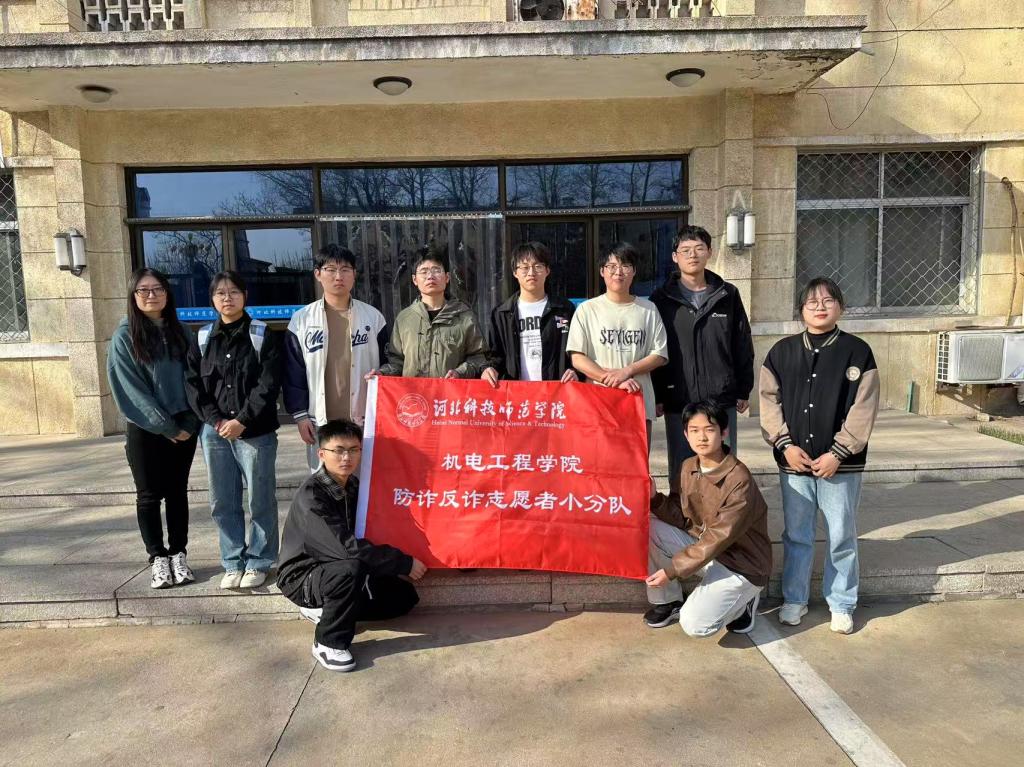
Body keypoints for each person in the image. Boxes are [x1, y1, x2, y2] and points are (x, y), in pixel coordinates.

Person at [759, 277, 880, 635]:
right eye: (812, 302)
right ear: (801, 310)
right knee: (797, 534)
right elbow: (768, 402)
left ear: (841, 307)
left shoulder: (858, 352)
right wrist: (784, 445)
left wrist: (838, 452)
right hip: (794, 462)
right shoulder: (781, 353)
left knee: (841, 535)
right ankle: (794, 598)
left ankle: (841, 603)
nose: (820, 307)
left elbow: (864, 407)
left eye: (828, 300)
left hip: (840, 465)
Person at [277, 419, 427, 672]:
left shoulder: (353, 486)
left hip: (338, 567)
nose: (346, 457)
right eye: (338, 450)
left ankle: (327, 609)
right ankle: (328, 642)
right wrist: (401, 561)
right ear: (322, 454)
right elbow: (345, 548)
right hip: (303, 575)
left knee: (403, 598)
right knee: (350, 568)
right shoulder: (313, 496)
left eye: (353, 450)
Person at [185, 271, 282, 590]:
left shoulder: (262, 334)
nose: (227, 298)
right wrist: (216, 421)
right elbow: (193, 386)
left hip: (255, 432)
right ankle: (232, 561)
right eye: (220, 293)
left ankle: (260, 560)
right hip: (215, 433)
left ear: (245, 296)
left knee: (260, 499)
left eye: (234, 292)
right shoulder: (202, 338)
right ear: (212, 299)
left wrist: (242, 420)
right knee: (222, 500)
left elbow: (268, 383)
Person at [644, 401, 771, 637]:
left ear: (724, 433)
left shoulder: (739, 479)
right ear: (685, 434)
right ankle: (668, 601)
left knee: (695, 625)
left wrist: (672, 570)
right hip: (707, 551)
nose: (701, 437)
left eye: (709, 429)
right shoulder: (688, 467)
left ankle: (744, 601)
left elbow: (718, 537)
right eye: (694, 430)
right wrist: (654, 499)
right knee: (649, 527)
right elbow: (680, 515)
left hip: (740, 564)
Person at [107, 268, 200, 589]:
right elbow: (130, 389)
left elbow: (196, 379)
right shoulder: (125, 336)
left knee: (177, 492)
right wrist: (166, 427)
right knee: (148, 495)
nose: (151, 295)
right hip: (146, 428)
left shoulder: (182, 332)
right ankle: (157, 557)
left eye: (158, 289)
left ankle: (178, 553)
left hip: (184, 426)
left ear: (167, 293)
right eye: (143, 290)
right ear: (133, 296)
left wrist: (189, 423)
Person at [651, 225, 754, 493]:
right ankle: (682, 514)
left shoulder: (727, 294)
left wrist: (743, 388)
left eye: (699, 248)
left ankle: (723, 514)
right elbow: (655, 349)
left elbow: (742, 343)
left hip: (720, 397)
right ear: (675, 256)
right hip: (678, 398)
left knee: (723, 469)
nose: (692, 255)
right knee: (682, 471)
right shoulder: (661, 299)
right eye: (685, 250)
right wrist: (658, 394)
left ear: (709, 252)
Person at [284, 244, 387, 471]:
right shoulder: (301, 320)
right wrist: (300, 416)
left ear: (354, 274)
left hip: (363, 420)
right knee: (323, 484)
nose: (338, 276)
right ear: (317, 274)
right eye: (330, 269)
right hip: (319, 421)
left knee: (362, 482)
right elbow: (293, 372)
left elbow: (388, 365)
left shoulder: (373, 318)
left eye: (345, 269)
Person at [566, 242, 668, 449]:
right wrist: (612, 379)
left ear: (634, 271)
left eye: (625, 266)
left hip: (638, 400)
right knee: (598, 462)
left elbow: (660, 354)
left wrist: (627, 371)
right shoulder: (587, 310)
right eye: (611, 266)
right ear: (602, 271)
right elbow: (577, 357)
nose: (618, 272)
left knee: (636, 463)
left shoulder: (648, 309)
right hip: (598, 402)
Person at [374, 249, 488, 379]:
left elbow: (478, 358)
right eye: (424, 272)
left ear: (447, 277)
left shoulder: (464, 316)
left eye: (436, 270)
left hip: (449, 391)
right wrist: (382, 373)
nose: (430, 276)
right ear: (415, 280)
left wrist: (459, 372)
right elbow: (396, 362)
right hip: (413, 392)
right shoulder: (404, 319)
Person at [481, 241, 578, 386]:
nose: (531, 273)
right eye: (525, 267)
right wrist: (489, 369)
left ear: (547, 270)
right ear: (515, 272)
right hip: (516, 392)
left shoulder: (564, 310)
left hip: (556, 390)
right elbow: (494, 356)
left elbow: (577, 352)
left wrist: (575, 371)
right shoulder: (501, 314)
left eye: (538, 266)